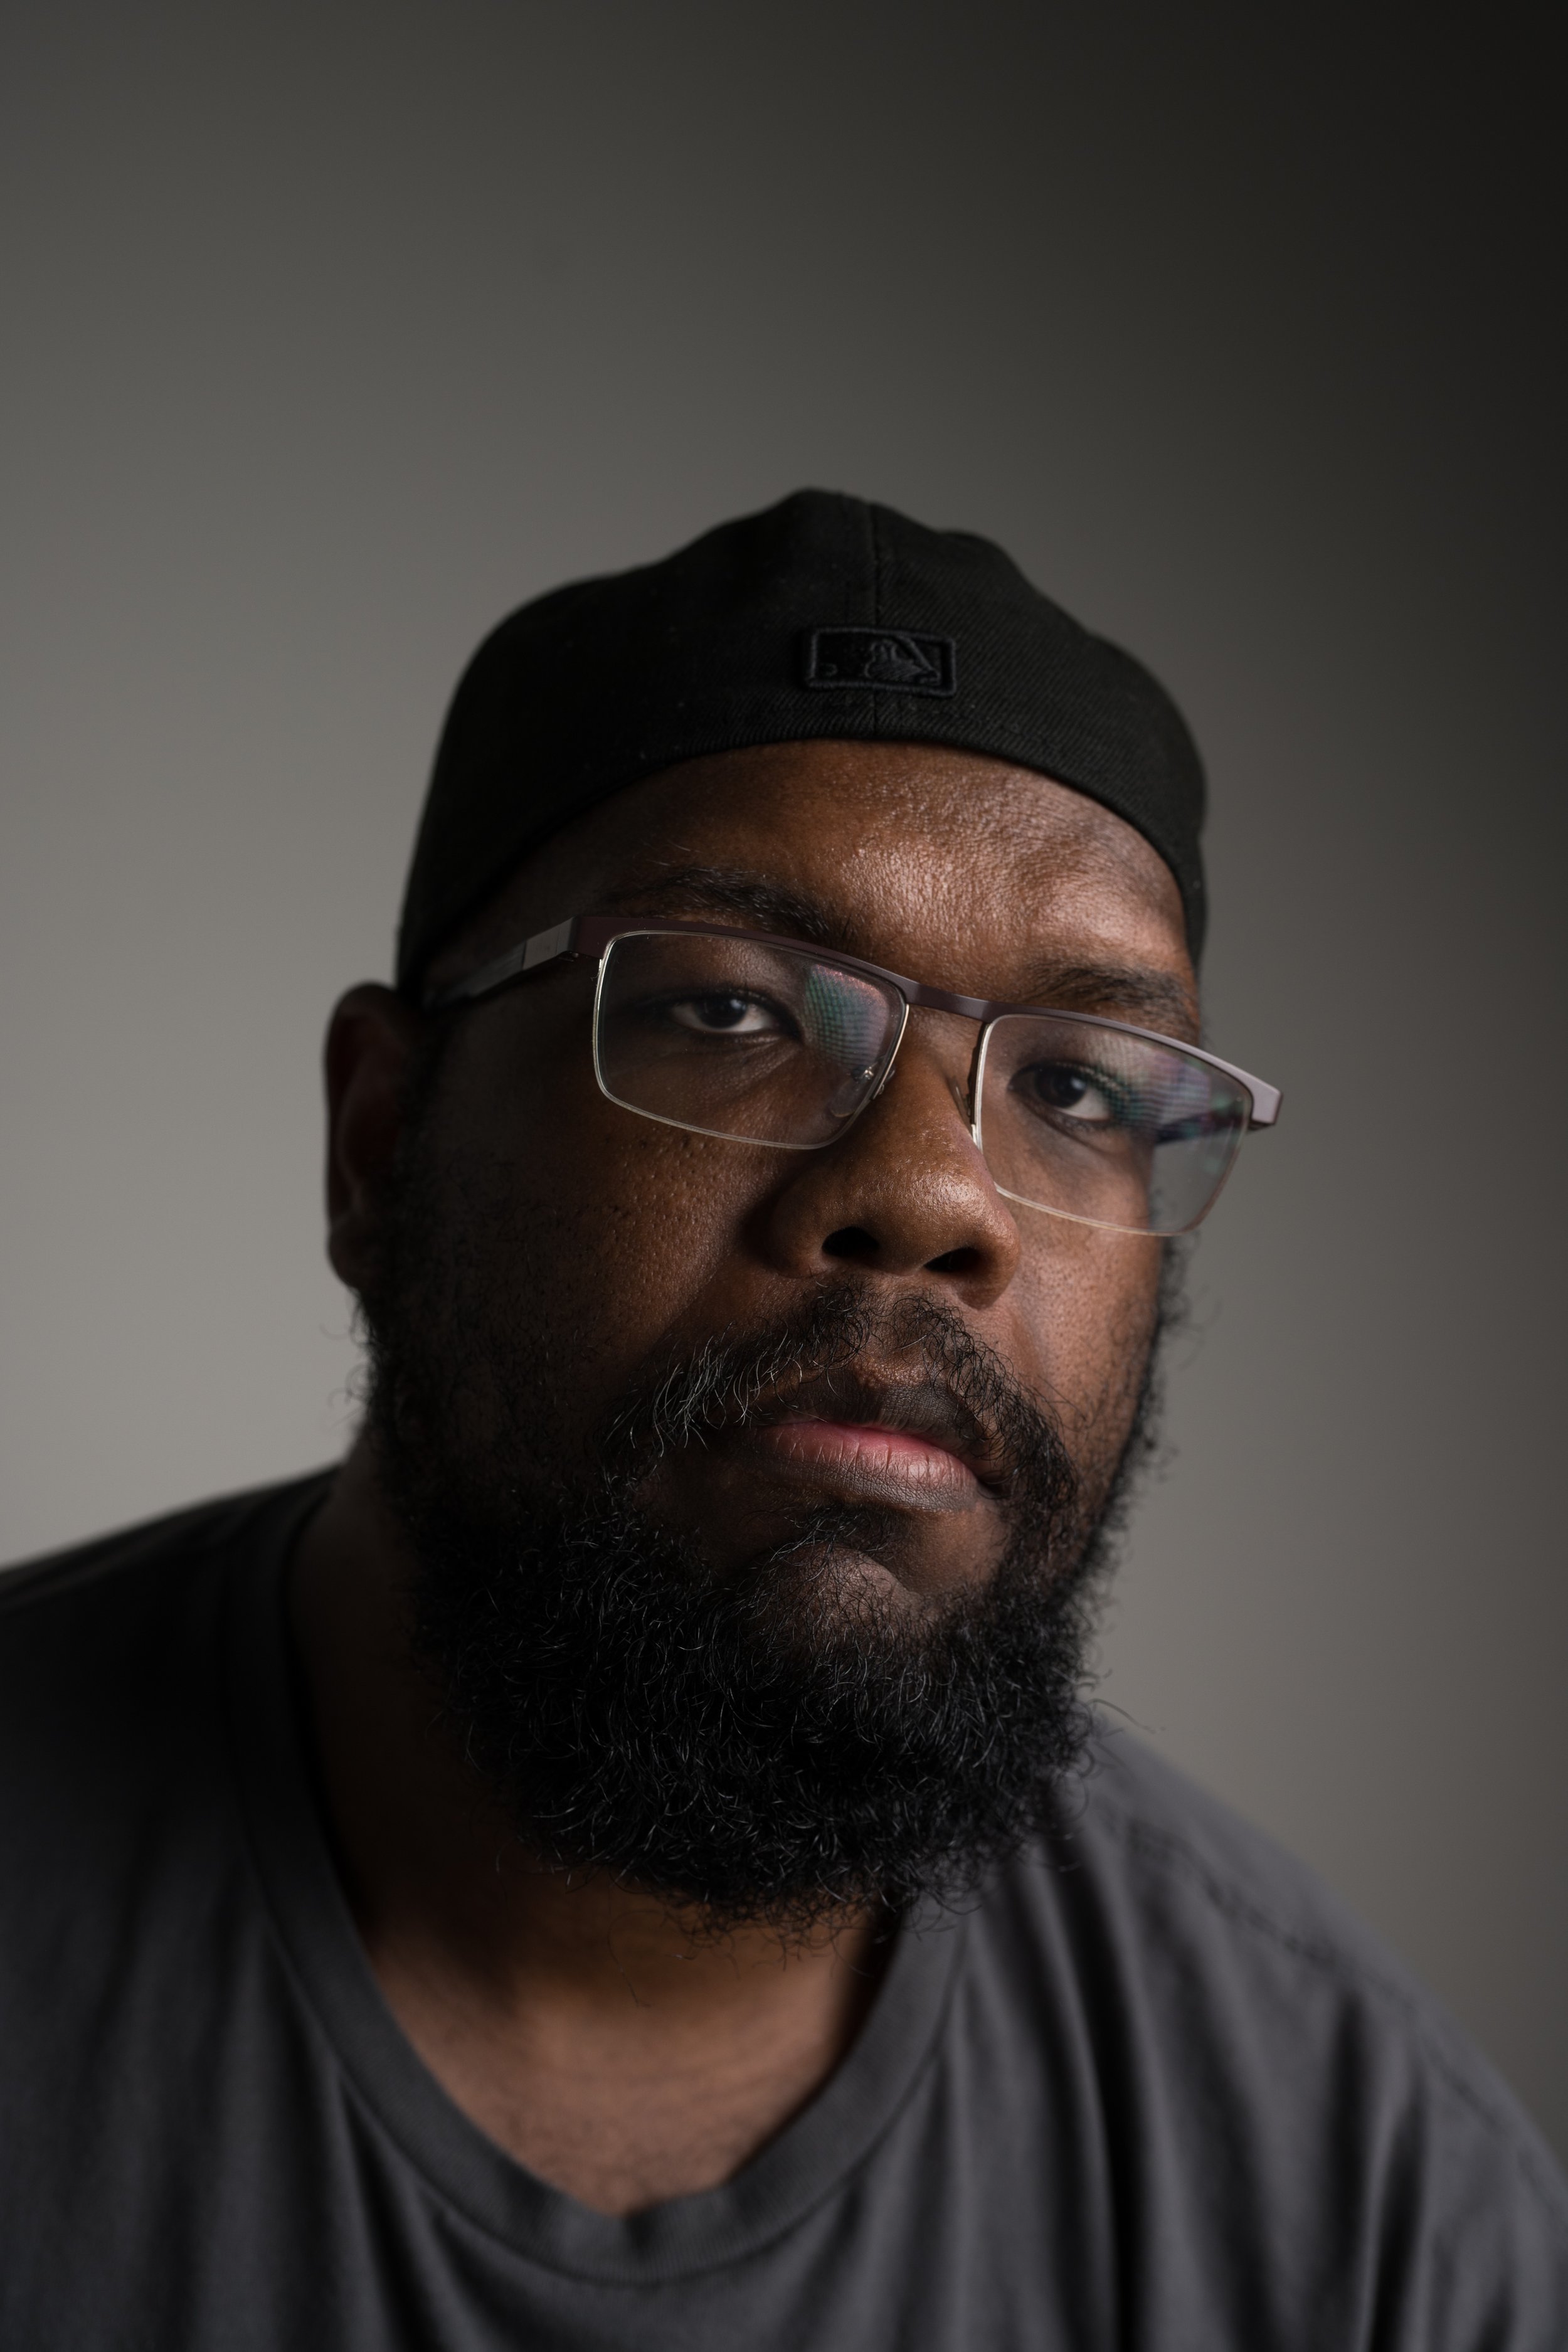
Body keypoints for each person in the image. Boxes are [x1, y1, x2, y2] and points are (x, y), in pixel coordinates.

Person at [1, 490, 1562, 2350]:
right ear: (380, 1144)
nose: (935, 1194)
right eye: (731, 1012)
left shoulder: (1368, 2208)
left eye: (1075, 1082)